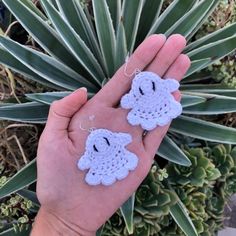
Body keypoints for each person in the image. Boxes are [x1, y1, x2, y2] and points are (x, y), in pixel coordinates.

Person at [31, 34, 190, 236]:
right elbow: (90, 159)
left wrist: (63, 222)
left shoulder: (120, 128)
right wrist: (63, 220)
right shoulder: (100, 146)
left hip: (145, 121)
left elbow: (156, 93)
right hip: (112, 160)